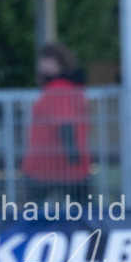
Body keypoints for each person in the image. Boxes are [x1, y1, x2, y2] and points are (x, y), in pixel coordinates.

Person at [21, 43, 92, 205]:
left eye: (44, 60)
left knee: (33, 217)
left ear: (54, 62)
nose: (40, 65)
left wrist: (72, 156)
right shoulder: (74, 89)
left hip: (48, 165)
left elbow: (65, 122)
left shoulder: (57, 90)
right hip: (70, 166)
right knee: (84, 216)